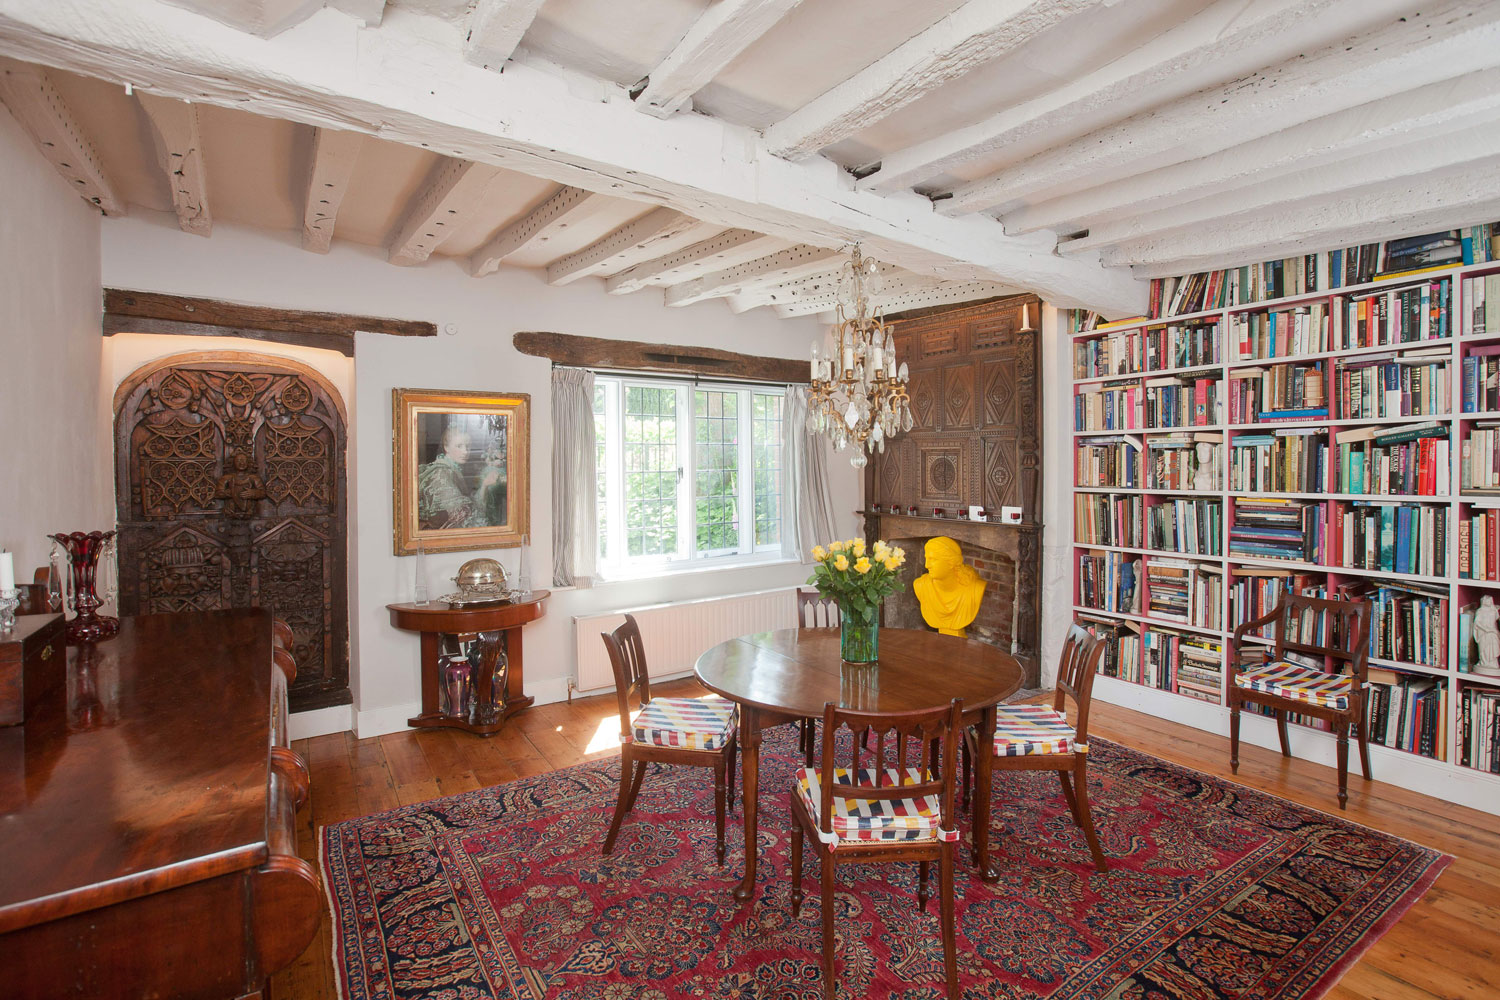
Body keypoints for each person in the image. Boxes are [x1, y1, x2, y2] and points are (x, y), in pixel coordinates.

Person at [417, 425, 503, 530]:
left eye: (468, 446)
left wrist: (485, 484)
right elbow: (464, 516)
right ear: (446, 447)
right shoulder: (441, 473)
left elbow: (469, 507)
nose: (465, 451)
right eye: (459, 446)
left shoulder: (452, 469)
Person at [912, 536, 985, 638]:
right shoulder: (921, 586)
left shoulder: (975, 589)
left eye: (933, 559)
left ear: (951, 563)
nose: (927, 565)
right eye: (926, 559)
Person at [214, 450, 267, 518]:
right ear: (233, 463)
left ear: (248, 462)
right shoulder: (226, 478)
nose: (241, 463)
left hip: (250, 512)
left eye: (244, 461)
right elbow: (218, 493)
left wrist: (253, 493)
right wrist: (231, 493)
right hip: (230, 512)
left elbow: (262, 493)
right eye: (238, 461)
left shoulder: (254, 478)